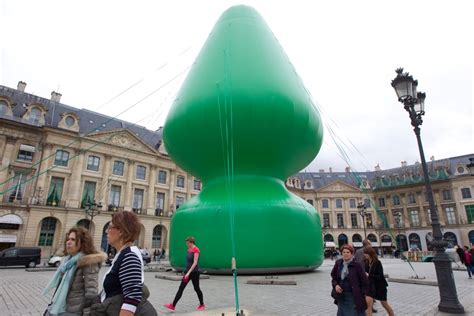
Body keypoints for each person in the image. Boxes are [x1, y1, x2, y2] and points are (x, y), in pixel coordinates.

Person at [90, 211, 157, 315]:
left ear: (121, 230)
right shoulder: (123, 253)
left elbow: (132, 298)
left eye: (110, 226)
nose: (107, 231)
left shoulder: (129, 255)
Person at [44, 226, 106, 316]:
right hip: (58, 308)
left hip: (73, 311)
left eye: (73, 240)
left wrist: (87, 314)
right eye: (68, 239)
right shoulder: (67, 262)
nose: (68, 242)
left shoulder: (88, 262)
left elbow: (91, 293)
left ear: (83, 243)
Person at [164, 236, 205, 312]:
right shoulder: (189, 249)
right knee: (181, 288)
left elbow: (195, 263)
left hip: (194, 273)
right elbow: (188, 263)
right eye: (186, 243)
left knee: (196, 289)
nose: (187, 244)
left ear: (192, 242)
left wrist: (188, 273)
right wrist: (185, 271)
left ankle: (202, 304)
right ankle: (173, 305)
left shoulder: (196, 250)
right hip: (187, 273)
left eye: (188, 243)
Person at [331, 244, 369, 316]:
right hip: (342, 296)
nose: (345, 254)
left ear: (352, 254)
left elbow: (365, 281)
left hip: (353, 297)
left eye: (348, 252)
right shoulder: (339, 263)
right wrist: (336, 285)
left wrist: (361, 294)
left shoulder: (357, 265)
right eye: (344, 252)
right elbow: (334, 276)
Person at [364, 247, 394, 316]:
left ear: (370, 254)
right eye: (364, 253)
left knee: (384, 304)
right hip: (371, 286)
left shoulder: (377, 262)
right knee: (368, 305)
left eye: (366, 253)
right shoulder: (366, 262)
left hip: (380, 287)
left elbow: (380, 276)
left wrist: (369, 275)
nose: (364, 255)